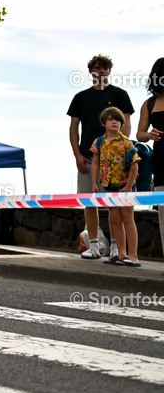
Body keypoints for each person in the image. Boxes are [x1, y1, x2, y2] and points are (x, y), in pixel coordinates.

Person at [67, 54, 133, 259]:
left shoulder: (120, 95)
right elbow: (73, 127)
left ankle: (115, 247)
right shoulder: (81, 97)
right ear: (90, 71)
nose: (101, 71)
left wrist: (120, 153)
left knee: (114, 205)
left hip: (113, 161)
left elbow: (127, 125)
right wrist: (77, 154)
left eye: (104, 68)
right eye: (97, 68)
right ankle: (93, 246)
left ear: (109, 71)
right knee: (89, 203)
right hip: (87, 159)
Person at [91, 107, 140, 266]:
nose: (114, 122)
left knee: (128, 219)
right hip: (109, 186)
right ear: (103, 123)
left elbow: (134, 165)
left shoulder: (126, 143)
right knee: (115, 220)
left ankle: (133, 255)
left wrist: (129, 186)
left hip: (125, 186)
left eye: (117, 120)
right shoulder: (99, 142)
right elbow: (95, 162)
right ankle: (121, 253)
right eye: (111, 119)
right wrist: (94, 182)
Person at [135, 57, 164, 257]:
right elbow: (139, 134)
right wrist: (149, 135)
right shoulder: (149, 103)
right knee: (163, 212)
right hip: (161, 161)